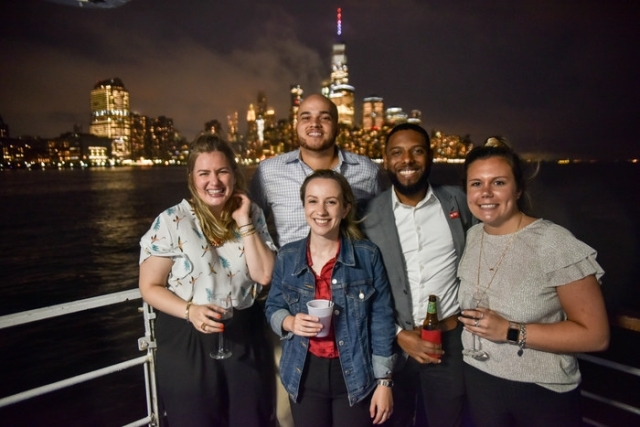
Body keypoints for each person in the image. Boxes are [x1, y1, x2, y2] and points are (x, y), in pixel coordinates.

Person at [457, 137, 609, 427]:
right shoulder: (473, 236)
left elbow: (596, 335)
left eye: (498, 182)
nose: (486, 193)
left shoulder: (554, 242)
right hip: (479, 380)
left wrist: (509, 331)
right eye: (476, 184)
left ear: (518, 188)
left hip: (541, 391)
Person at [138, 134, 277, 427]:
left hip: (244, 334)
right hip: (188, 340)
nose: (214, 181)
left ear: (234, 174)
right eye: (204, 173)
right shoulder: (172, 221)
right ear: (192, 178)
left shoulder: (252, 214)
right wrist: (190, 311)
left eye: (222, 171)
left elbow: (264, 275)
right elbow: (149, 286)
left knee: (251, 418)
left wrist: (243, 220)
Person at [361, 123, 475, 427]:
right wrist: (399, 335)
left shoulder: (459, 202)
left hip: (449, 344)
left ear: (431, 156)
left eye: (417, 151)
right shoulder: (368, 214)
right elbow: (360, 286)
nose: (407, 160)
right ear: (385, 160)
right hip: (391, 345)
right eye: (397, 153)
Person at [265, 169, 397, 427]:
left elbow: (382, 320)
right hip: (303, 372)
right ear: (304, 206)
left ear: (346, 208)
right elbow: (273, 306)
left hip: (355, 373)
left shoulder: (367, 256)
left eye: (331, 201)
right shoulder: (288, 255)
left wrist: (384, 382)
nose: (321, 210)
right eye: (313, 201)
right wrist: (289, 322)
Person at [250, 93, 385, 247]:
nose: (314, 123)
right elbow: (251, 227)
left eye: (325, 118)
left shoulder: (367, 171)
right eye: (306, 118)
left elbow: (384, 227)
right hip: (290, 268)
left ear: (338, 128)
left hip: (353, 268)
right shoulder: (268, 172)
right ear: (296, 126)